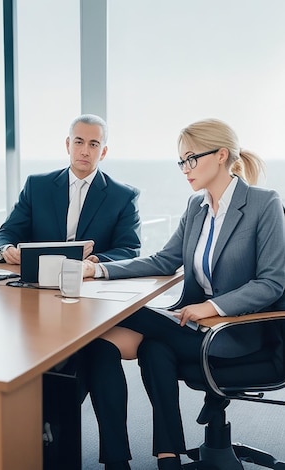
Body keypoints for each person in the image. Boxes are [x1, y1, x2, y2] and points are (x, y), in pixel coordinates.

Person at [80, 118, 285, 470]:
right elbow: (164, 259)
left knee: (114, 312)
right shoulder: (197, 207)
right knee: (138, 347)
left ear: (221, 155)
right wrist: (98, 269)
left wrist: (212, 306)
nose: (184, 169)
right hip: (192, 328)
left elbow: (272, 283)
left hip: (235, 331)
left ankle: (83, 316)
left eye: (191, 159)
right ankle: (163, 459)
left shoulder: (263, 205)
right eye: (181, 161)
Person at [0, 113, 141, 264]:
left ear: (103, 152)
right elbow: (7, 233)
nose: (85, 151)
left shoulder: (124, 196)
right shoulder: (37, 186)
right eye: (79, 142)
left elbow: (130, 249)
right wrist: (6, 249)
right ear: (68, 145)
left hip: (92, 281)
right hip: (37, 278)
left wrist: (97, 260)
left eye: (93, 144)